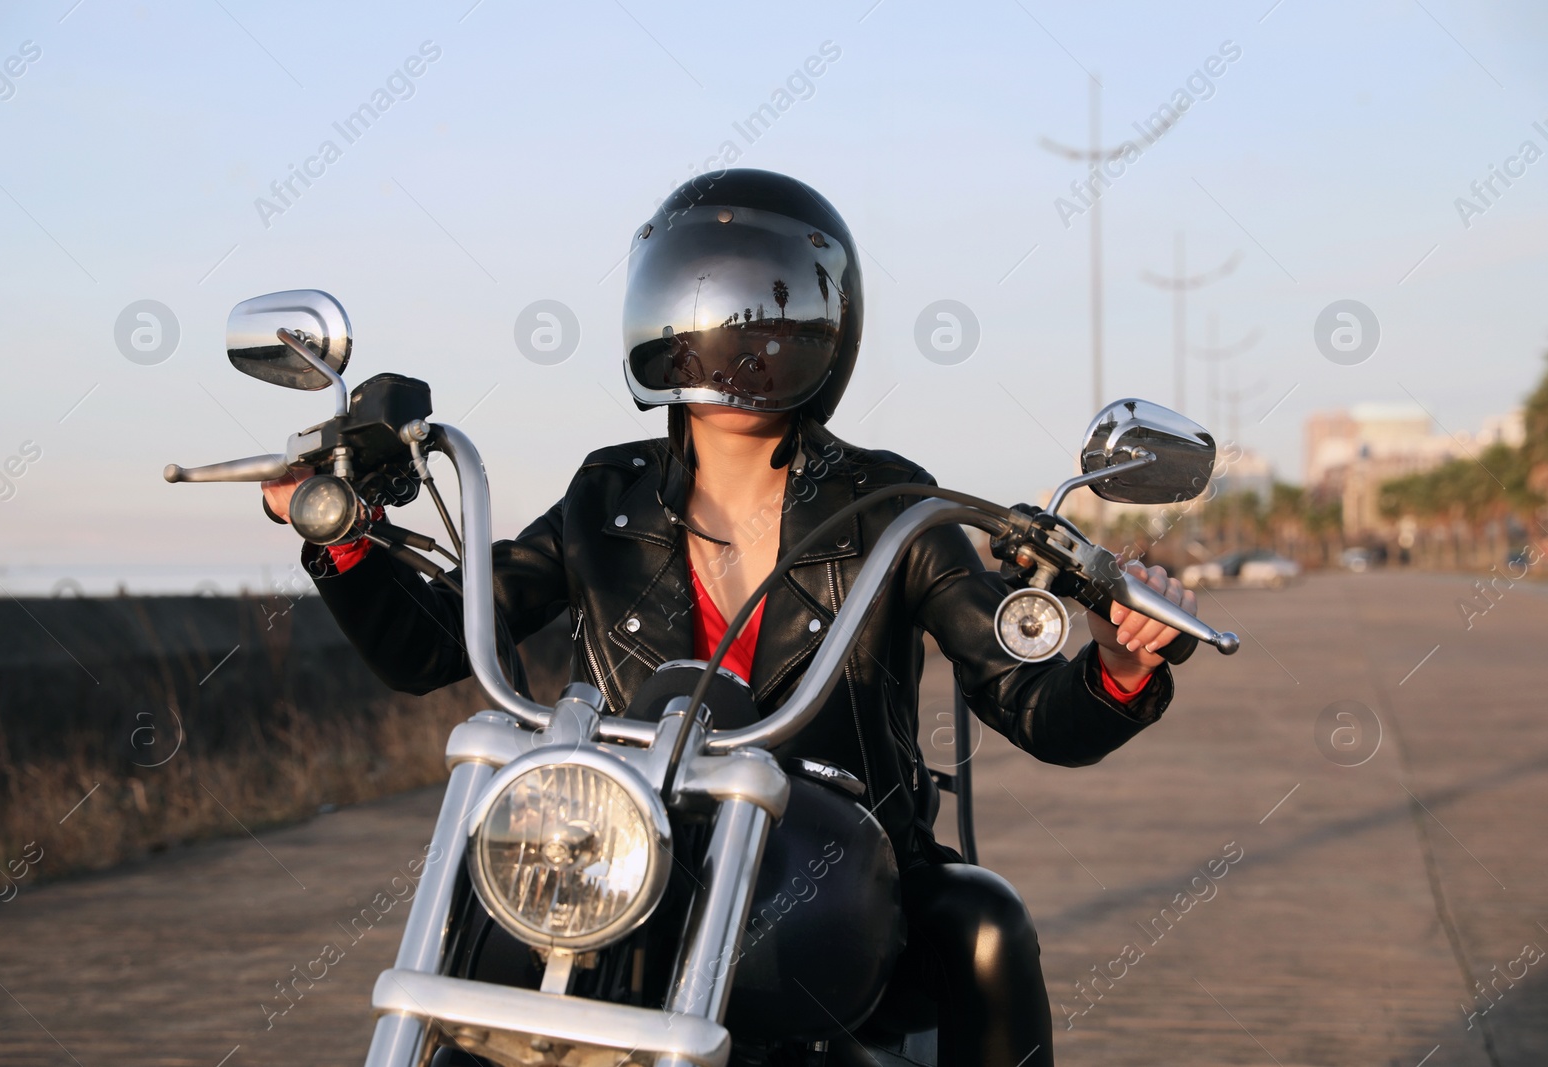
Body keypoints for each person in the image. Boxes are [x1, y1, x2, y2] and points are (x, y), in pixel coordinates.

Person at [262, 169, 1197, 1066]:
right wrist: (342, 538)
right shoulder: (606, 497)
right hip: (627, 850)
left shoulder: (891, 504)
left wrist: (1117, 665)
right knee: (480, 929)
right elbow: (433, 641)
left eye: (765, 312)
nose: (734, 341)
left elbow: (1028, 702)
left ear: (822, 328)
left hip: (836, 857)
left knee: (983, 927)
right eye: (706, 308)